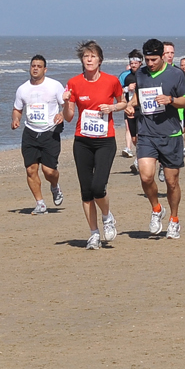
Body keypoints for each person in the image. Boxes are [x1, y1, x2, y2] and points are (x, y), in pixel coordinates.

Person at [124, 38, 185, 239]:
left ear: (163, 56)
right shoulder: (141, 74)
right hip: (146, 133)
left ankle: (174, 219)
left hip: (170, 134)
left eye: (154, 60)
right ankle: (156, 208)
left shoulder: (176, 74)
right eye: (147, 60)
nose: (150, 64)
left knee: (171, 182)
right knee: (145, 175)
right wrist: (130, 104)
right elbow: (139, 97)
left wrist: (170, 100)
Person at [61, 41, 123, 249]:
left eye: (93, 56)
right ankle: (94, 234)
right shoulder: (74, 83)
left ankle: (107, 216)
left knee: (98, 187)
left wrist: (112, 107)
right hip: (82, 141)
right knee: (86, 191)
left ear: (100, 60)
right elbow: (68, 117)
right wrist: (66, 101)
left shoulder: (112, 81)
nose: (89, 59)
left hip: (105, 141)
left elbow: (124, 102)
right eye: (86, 56)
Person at [12, 55, 67, 213]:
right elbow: (17, 109)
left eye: (39, 66)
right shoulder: (22, 89)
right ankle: (40, 203)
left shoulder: (54, 86)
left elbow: (67, 106)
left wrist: (61, 115)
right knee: (31, 169)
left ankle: (55, 186)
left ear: (45, 69)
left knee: (49, 171)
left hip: (50, 132)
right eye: (33, 65)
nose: (35, 68)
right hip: (30, 132)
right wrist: (16, 119)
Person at [118, 51, 142, 159]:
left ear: (141, 62)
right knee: (134, 137)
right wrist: (128, 88)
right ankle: (139, 153)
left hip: (142, 108)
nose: (133, 65)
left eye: (136, 63)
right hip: (129, 108)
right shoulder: (124, 75)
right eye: (131, 63)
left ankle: (139, 159)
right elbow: (117, 91)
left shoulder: (145, 74)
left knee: (141, 133)